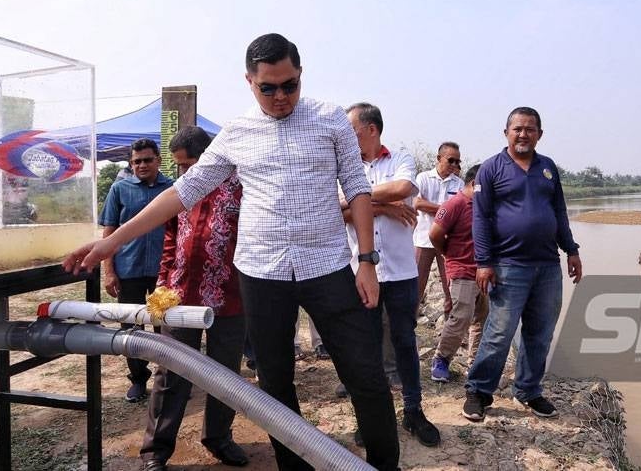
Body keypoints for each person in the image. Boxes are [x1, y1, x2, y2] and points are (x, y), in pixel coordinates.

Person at [64, 33, 399, 471]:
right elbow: (184, 192)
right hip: (262, 274)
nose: (281, 96)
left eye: (290, 85)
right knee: (276, 386)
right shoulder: (237, 133)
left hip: (328, 267)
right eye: (269, 88)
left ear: (301, 76)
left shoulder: (331, 118)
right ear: (249, 81)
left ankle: (383, 465)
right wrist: (112, 240)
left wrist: (368, 262)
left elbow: (357, 188)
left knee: (366, 377)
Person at [462, 107, 583, 422]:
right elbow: (481, 218)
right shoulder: (490, 169)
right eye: (517, 128)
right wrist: (484, 262)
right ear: (506, 133)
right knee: (499, 332)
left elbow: (559, 211)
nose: (523, 134)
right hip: (507, 265)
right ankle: (478, 391)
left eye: (530, 129)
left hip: (547, 266)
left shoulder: (548, 168)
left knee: (540, 332)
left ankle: (528, 391)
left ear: (539, 134)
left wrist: (571, 250)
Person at [140, 127, 248, 471]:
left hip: (231, 297)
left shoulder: (242, 188)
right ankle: (155, 451)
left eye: (188, 165)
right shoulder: (180, 192)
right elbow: (170, 240)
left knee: (225, 374)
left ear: (209, 157)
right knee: (169, 372)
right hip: (179, 296)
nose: (184, 173)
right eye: (179, 167)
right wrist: (161, 285)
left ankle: (219, 438)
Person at [343, 103, 441, 447]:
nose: (346, 134)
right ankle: (371, 417)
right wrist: (382, 207)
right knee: (365, 349)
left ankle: (413, 410)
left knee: (404, 343)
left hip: (400, 273)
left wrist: (355, 201)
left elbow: (403, 189)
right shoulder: (343, 164)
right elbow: (332, 209)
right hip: (360, 272)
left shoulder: (399, 158)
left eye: (351, 127)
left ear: (370, 129)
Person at [99, 138, 173, 402]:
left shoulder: (173, 189)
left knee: (165, 326)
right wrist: (109, 271)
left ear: (159, 161)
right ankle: (139, 379)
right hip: (128, 270)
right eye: (136, 161)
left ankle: (168, 381)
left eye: (147, 160)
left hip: (164, 272)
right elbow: (108, 231)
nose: (142, 165)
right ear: (131, 164)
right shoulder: (119, 189)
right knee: (131, 328)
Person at [427, 164, 488, 383]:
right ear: (475, 183)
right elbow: (435, 234)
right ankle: (441, 359)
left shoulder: (486, 205)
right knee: (461, 317)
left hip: (485, 271)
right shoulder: (455, 204)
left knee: (481, 319)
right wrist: (448, 255)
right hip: (462, 269)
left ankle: (475, 364)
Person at [413, 142, 463, 315]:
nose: (455, 165)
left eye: (458, 162)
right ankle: (408, 330)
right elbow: (417, 203)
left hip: (448, 244)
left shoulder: (459, 184)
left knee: (451, 288)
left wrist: (434, 208)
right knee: (416, 287)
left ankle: (449, 333)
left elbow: (461, 211)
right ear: (438, 158)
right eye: (451, 160)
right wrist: (446, 209)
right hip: (423, 240)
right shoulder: (423, 178)